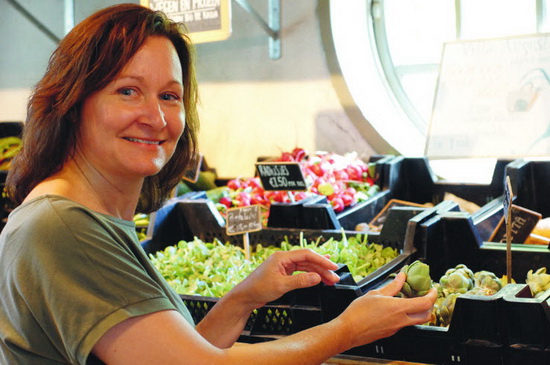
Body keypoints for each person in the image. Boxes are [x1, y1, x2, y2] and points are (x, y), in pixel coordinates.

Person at [0, 4, 437, 365]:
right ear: (73, 102)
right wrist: (347, 330)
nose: (155, 118)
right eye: (127, 91)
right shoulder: (61, 227)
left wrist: (245, 297)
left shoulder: (88, 217)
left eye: (170, 96)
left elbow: (174, 354)